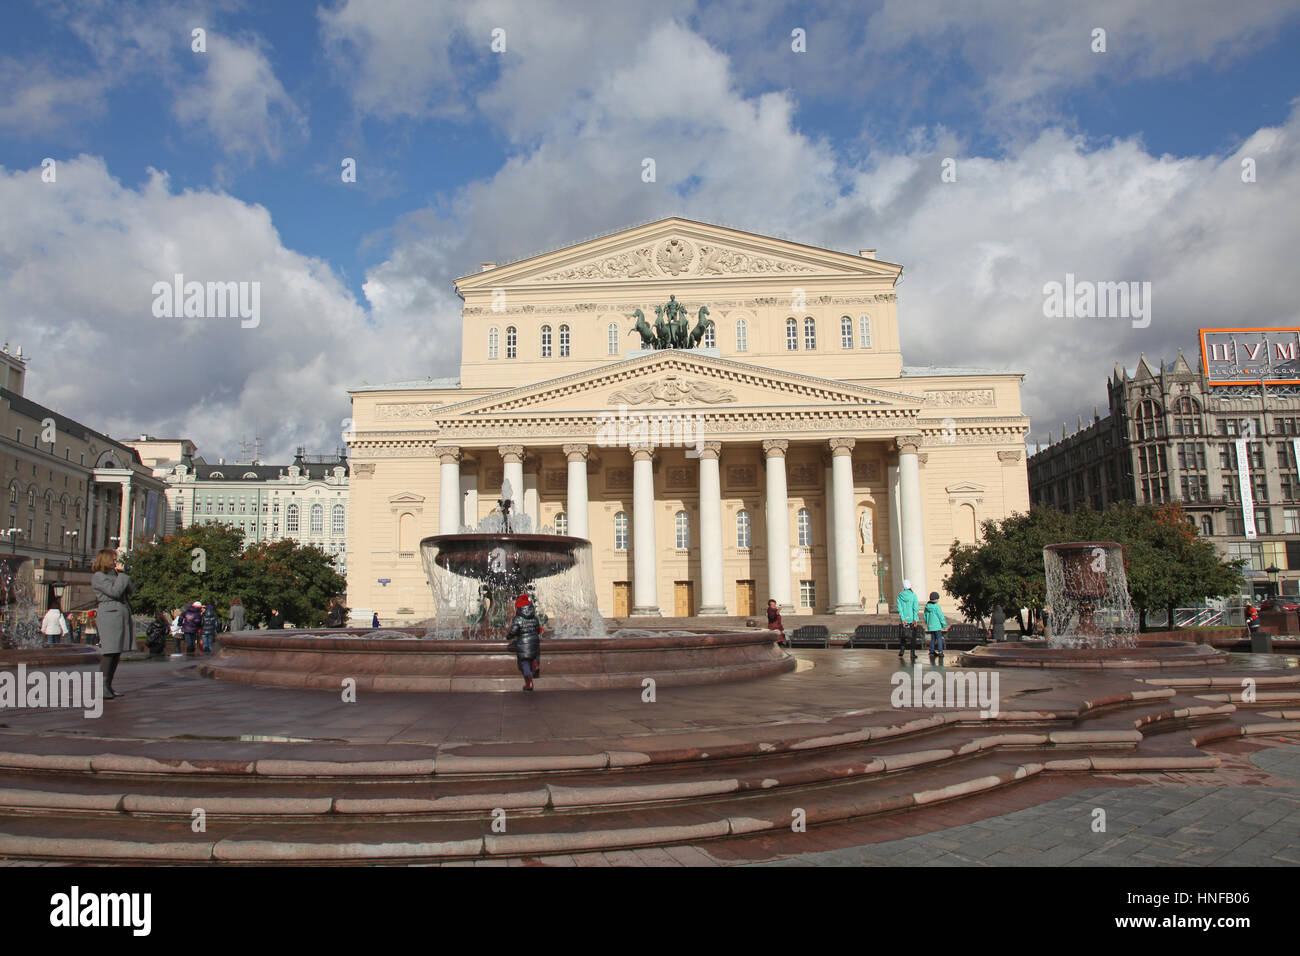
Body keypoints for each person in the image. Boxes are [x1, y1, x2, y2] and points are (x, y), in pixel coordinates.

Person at [90, 548, 133, 699]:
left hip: (119, 613)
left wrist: (123, 577)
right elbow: (114, 592)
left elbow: (130, 590)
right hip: (109, 614)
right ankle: (102, 687)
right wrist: (122, 576)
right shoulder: (98, 576)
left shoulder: (114, 575)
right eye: (113, 559)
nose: (115, 562)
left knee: (116, 652)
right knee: (109, 651)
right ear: (105, 560)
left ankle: (108, 685)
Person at [506, 594, 542, 692]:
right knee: (533, 655)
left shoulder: (518, 619)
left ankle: (529, 683)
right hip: (534, 641)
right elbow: (538, 630)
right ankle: (535, 664)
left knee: (525, 662)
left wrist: (508, 637)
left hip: (523, 642)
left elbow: (513, 631)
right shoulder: (534, 618)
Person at [897, 579, 920, 661]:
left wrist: (903, 619)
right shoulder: (913, 595)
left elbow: (900, 609)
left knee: (904, 635)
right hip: (912, 619)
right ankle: (912, 653)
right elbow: (915, 608)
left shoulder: (899, 596)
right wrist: (915, 619)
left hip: (904, 620)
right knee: (913, 637)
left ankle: (902, 650)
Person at [924, 591, 948, 664]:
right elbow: (940, 616)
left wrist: (927, 623)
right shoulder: (937, 606)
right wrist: (944, 624)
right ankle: (940, 651)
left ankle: (931, 650)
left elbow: (925, 616)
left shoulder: (927, 606)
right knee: (939, 638)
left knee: (933, 638)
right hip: (937, 625)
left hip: (931, 625)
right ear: (936, 599)